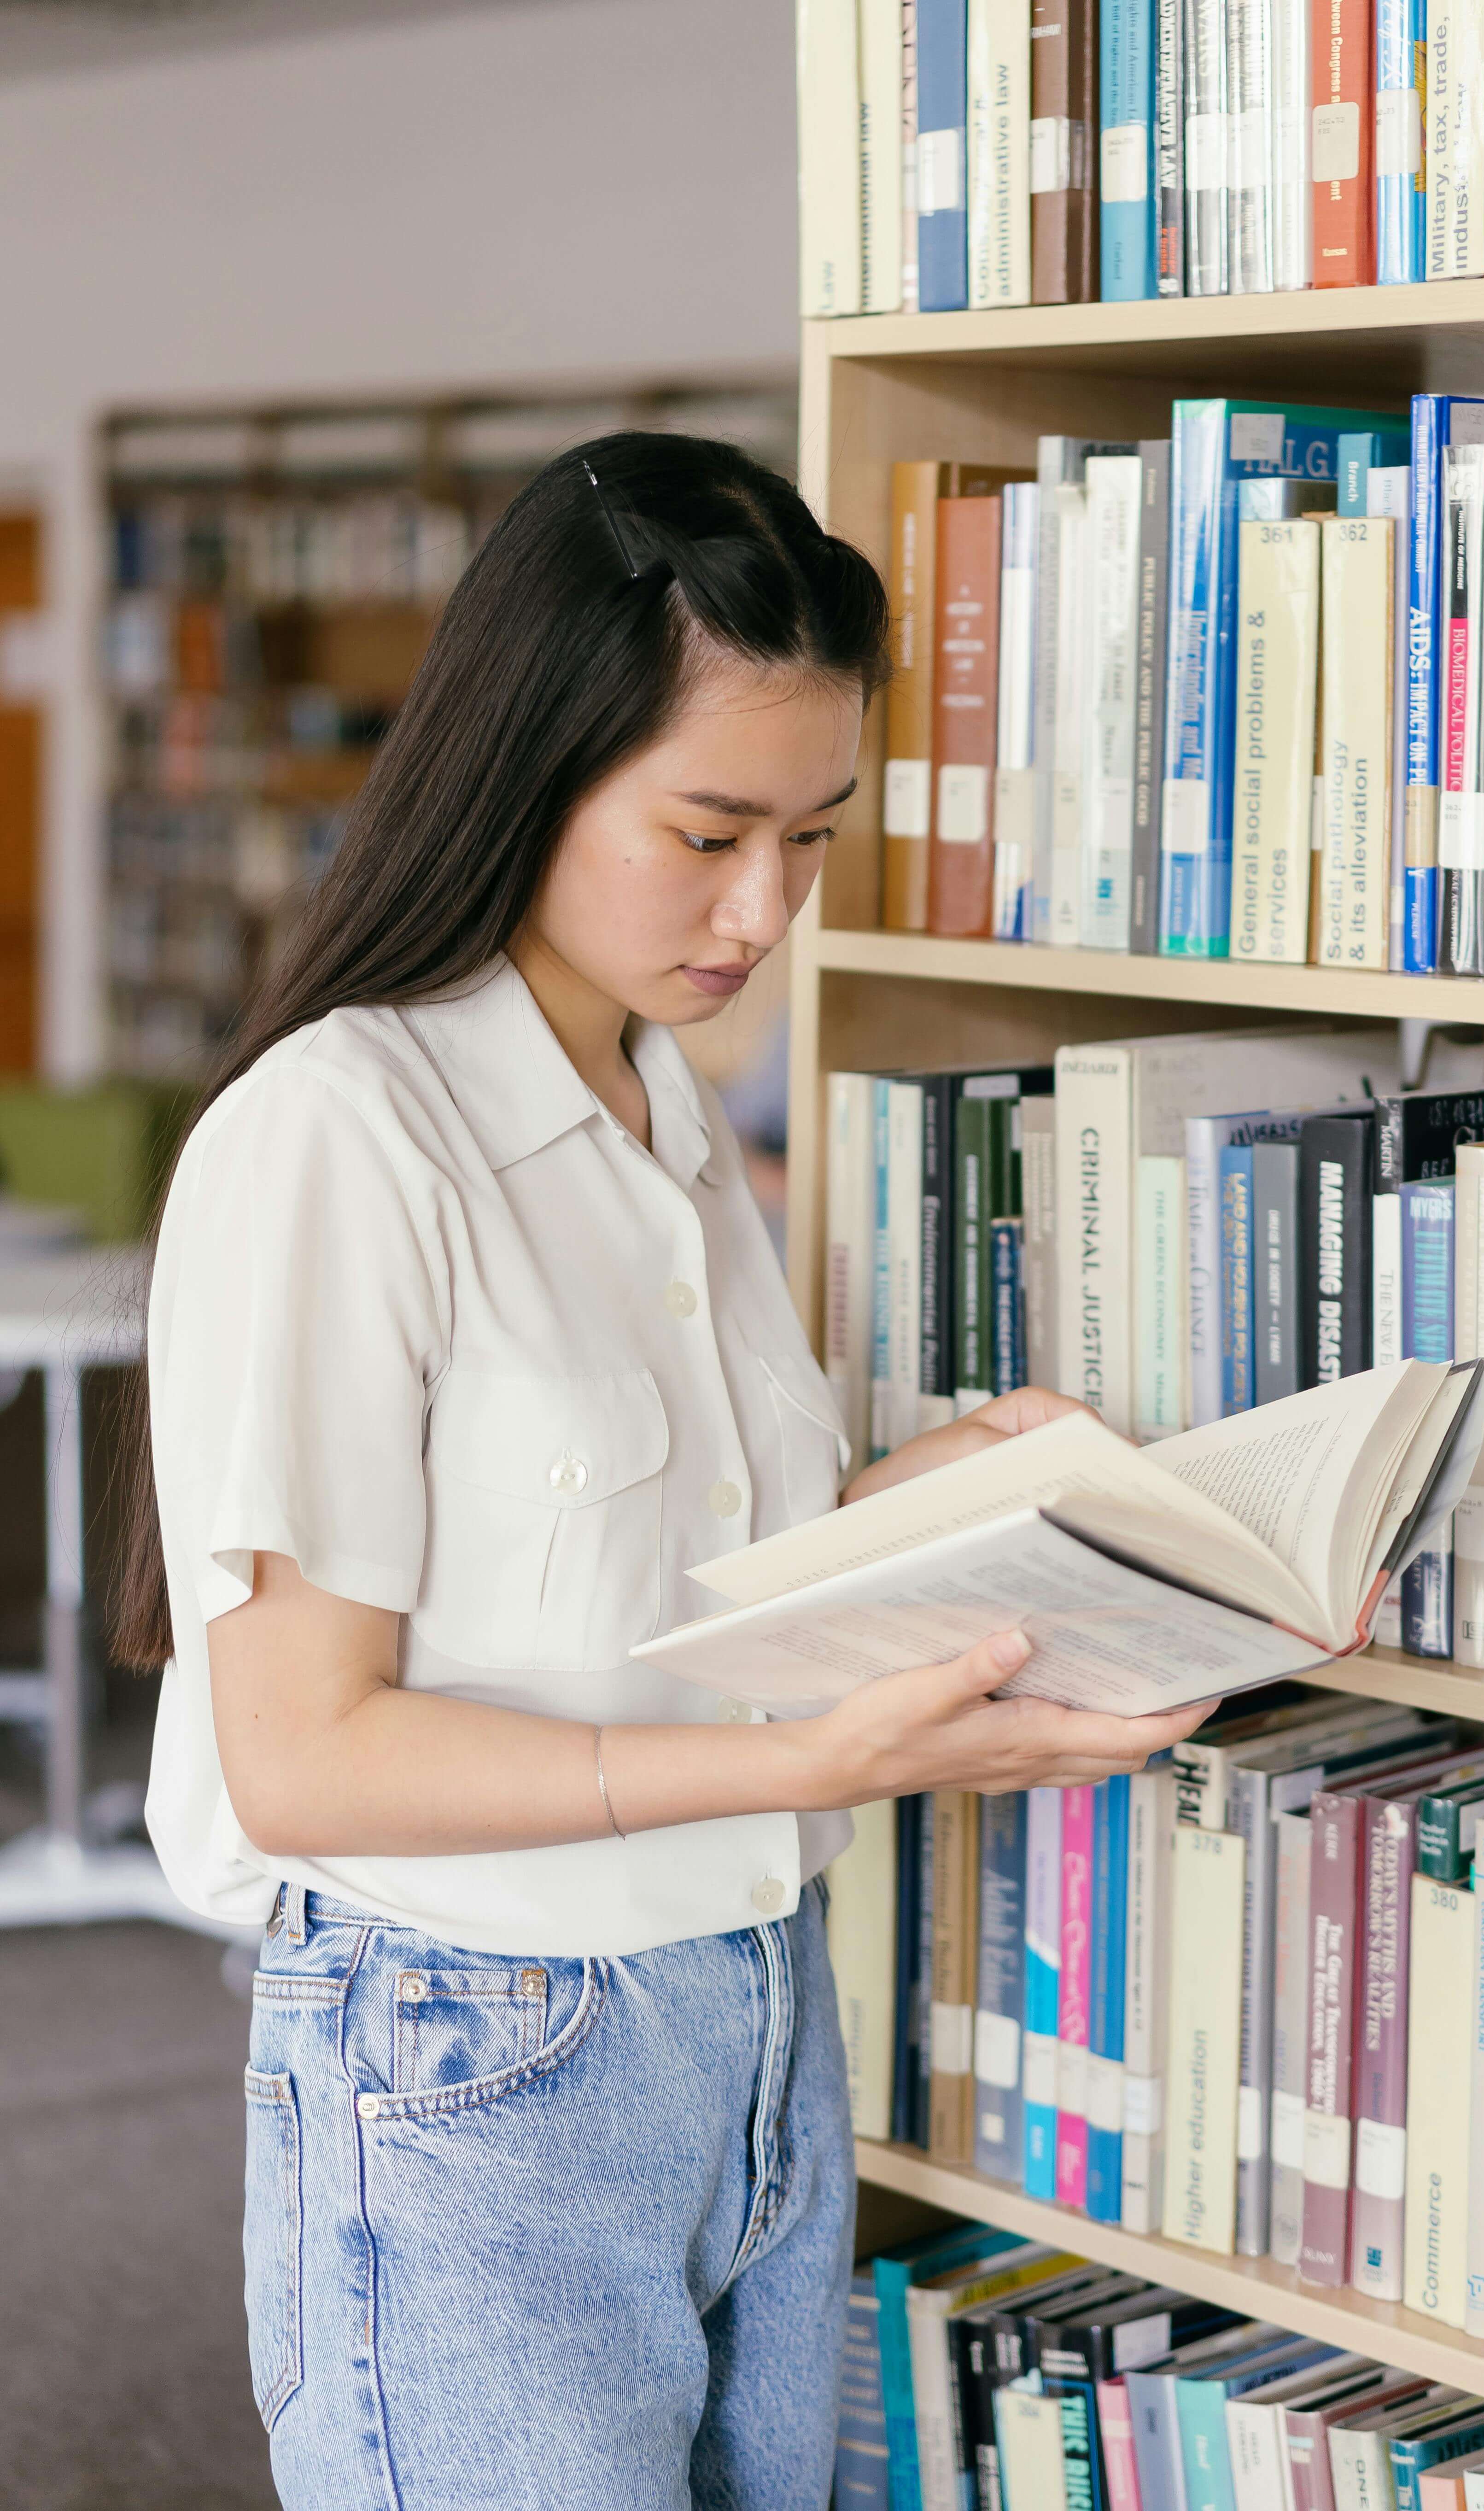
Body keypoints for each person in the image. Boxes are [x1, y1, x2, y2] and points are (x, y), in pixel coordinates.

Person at [117, 433, 1214, 2511]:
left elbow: (653, 1586)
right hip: (477, 2046)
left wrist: (944, 1487)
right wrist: (817, 1768)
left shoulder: (656, 1096)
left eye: (811, 836)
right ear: (532, 770)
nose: (765, 913)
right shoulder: (338, 1133)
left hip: (750, 2010)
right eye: (706, 831)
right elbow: (308, 1763)